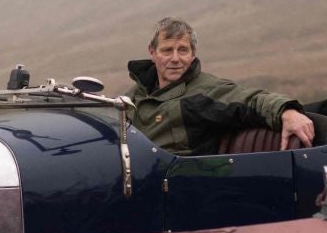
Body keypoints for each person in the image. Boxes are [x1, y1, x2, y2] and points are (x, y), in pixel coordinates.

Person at [123, 18, 315, 154]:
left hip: (176, 184)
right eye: (167, 50)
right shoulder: (135, 94)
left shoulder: (206, 91)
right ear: (152, 53)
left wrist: (287, 112)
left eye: (183, 50)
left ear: (192, 54)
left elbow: (251, 100)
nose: (175, 59)